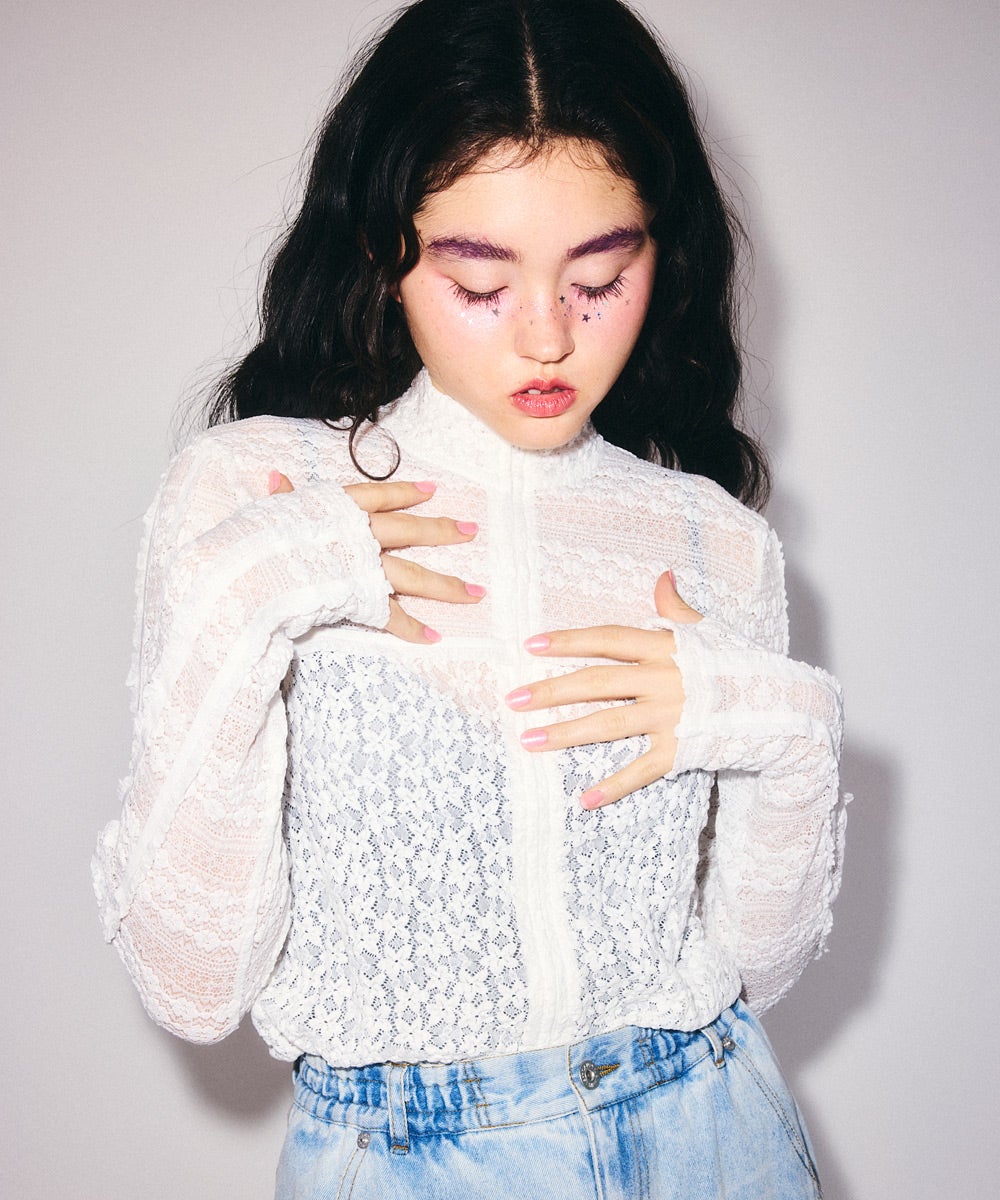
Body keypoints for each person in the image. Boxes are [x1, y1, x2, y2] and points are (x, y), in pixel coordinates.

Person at [93, 1, 846, 1196]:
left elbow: (759, 964)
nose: (547, 337)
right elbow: (193, 989)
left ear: (661, 252)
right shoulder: (256, 493)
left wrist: (787, 734)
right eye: (479, 283)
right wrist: (253, 592)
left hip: (715, 1129)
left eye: (599, 276)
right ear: (384, 253)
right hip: (409, 1158)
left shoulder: (714, 540)